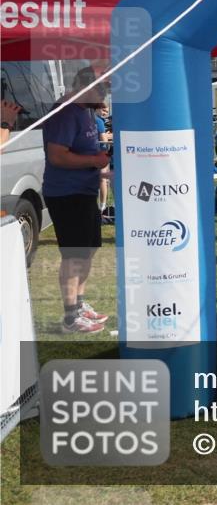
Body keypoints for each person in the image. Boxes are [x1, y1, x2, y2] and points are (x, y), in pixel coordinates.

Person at [42, 67, 111, 334]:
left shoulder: (85, 111)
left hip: (84, 192)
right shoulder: (65, 112)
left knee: (88, 250)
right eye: (102, 88)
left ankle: (79, 305)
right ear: (85, 86)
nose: (105, 94)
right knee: (74, 255)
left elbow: (83, 152)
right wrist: (95, 161)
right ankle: (71, 316)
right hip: (66, 194)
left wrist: (102, 169)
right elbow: (57, 156)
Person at [94, 103, 113, 214]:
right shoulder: (99, 121)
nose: (105, 113)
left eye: (107, 111)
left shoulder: (96, 120)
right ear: (97, 108)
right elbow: (103, 138)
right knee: (103, 180)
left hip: (97, 153)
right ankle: (103, 206)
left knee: (102, 180)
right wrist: (109, 137)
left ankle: (102, 205)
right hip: (102, 153)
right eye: (103, 110)